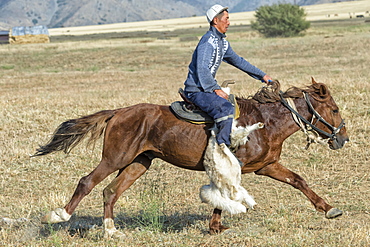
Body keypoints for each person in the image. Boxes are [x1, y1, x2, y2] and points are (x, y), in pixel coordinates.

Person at [184, 4, 273, 148]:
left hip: (205, 89)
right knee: (225, 108)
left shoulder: (222, 43)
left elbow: (239, 61)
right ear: (215, 21)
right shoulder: (208, 42)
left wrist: (262, 76)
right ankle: (222, 147)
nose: (229, 23)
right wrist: (215, 88)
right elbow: (202, 69)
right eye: (226, 19)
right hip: (196, 91)